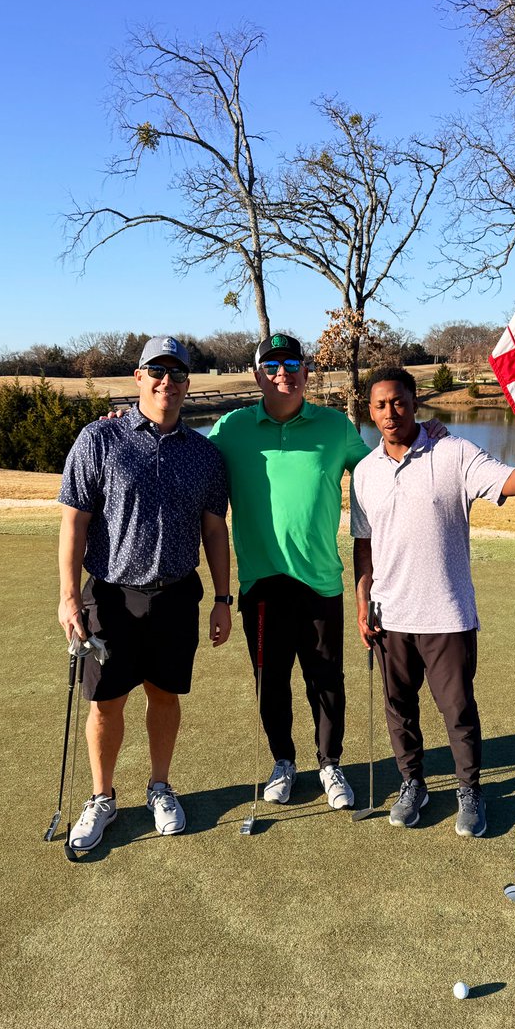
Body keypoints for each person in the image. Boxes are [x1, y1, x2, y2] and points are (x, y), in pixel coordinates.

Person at [350, 367, 515, 838]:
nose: (391, 413)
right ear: (370, 411)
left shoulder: (454, 453)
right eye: (381, 405)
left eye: (399, 402)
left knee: (458, 712)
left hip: (446, 613)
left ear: (415, 402)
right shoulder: (365, 473)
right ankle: (414, 785)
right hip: (391, 615)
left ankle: (470, 791)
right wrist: (362, 600)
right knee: (398, 710)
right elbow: (364, 545)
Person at [57, 335, 233, 853]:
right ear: (138, 377)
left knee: (164, 693)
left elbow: (215, 532)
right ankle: (102, 797)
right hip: (109, 596)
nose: (167, 382)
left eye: (178, 374)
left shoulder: (205, 455)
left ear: (188, 384)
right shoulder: (99, 439)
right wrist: (69, 597)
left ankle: (159, 786)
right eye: (157, 371)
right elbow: (74, 525)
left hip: (177, 595)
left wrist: (224, 599)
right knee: (107, 702)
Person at [207, 334, 371, 811]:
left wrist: (425, 438)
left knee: (326, 679)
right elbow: (185, 458)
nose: (284, 372)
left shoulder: (335, 427)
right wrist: (122, 427)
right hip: (261, 584)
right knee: (270, 679)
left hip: (319, 580)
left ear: (306, 373)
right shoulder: (230, 429)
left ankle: (329, 763)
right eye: (272, 364)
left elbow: (380, 471)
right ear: (258, 374)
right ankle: (283, 761)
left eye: (293, 363)